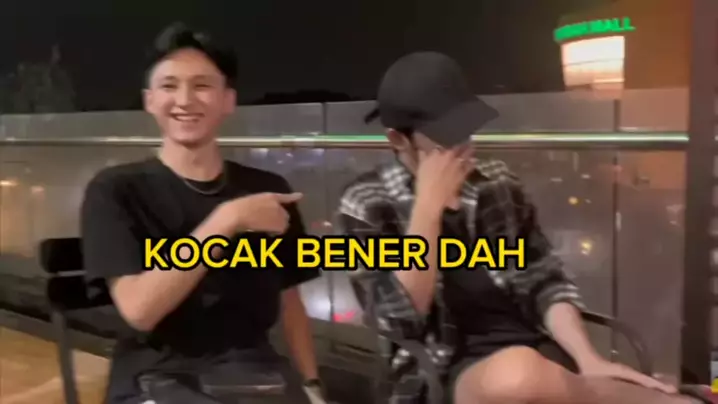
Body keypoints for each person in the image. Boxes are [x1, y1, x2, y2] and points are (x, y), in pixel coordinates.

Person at [336, 51, 712, 404]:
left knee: (527, 372)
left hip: (535, 349)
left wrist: (588, 358)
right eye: (445, 135)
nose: (462, 145)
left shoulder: (496, 182)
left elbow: (543, 279)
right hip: (443, 365)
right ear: (397, 140)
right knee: (518, 376)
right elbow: (399, 321)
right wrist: (427, 211)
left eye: (465, 129)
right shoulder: (367, 202)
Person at [81, 23, 323, 404]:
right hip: (156, 376)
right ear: (149, 100)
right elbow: (140, 310)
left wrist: (312, 385)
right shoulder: (116, 190)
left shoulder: (267, 188)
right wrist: (225, 222)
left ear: (228, 100)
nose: (185, 99)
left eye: (202, 85)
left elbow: (290, 300)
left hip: (257, 377)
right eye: (169, 85)